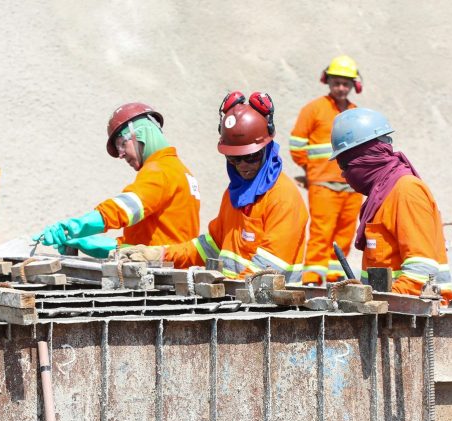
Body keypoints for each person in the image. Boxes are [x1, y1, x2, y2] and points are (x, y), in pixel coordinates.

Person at [121, 92, 308, 282]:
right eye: (234, 158)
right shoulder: (235, 195)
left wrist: (228, 290)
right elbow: (208, 247)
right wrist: (160, 255)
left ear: (266, 149)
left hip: (269, 300)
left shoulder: (283, 197)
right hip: (239, 298)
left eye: (251, 157)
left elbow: (268, 270)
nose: (242, 166)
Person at [35, 103, 201, 258]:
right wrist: (90, 243)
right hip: (169, 267)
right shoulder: (179, 171)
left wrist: (74, 227)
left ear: (141, 133)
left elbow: (123, 209)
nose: (121, 154)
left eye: (122, 143)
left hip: (161, 271)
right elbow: (145, 244)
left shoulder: (160, 170)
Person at [328, 107, 452, 300]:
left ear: (367, 158)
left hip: (418, 314)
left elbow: (422, 271)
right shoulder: (381, 196)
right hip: (391, 313)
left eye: (346, 166)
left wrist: (382, 301)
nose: (344, 175)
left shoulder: (406, 191)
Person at [289, 55, 365, 285]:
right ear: (327, 81)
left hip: (351, 185)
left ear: (353, 85)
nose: (341, 88)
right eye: (336, 82)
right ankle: (312, 279)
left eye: (345, 83)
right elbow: (296, 145)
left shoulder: (355, 113)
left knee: (345, 235)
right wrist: (311, 169)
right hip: (322, 183)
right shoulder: (314, 109)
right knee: (321, 233)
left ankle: (336, 278)